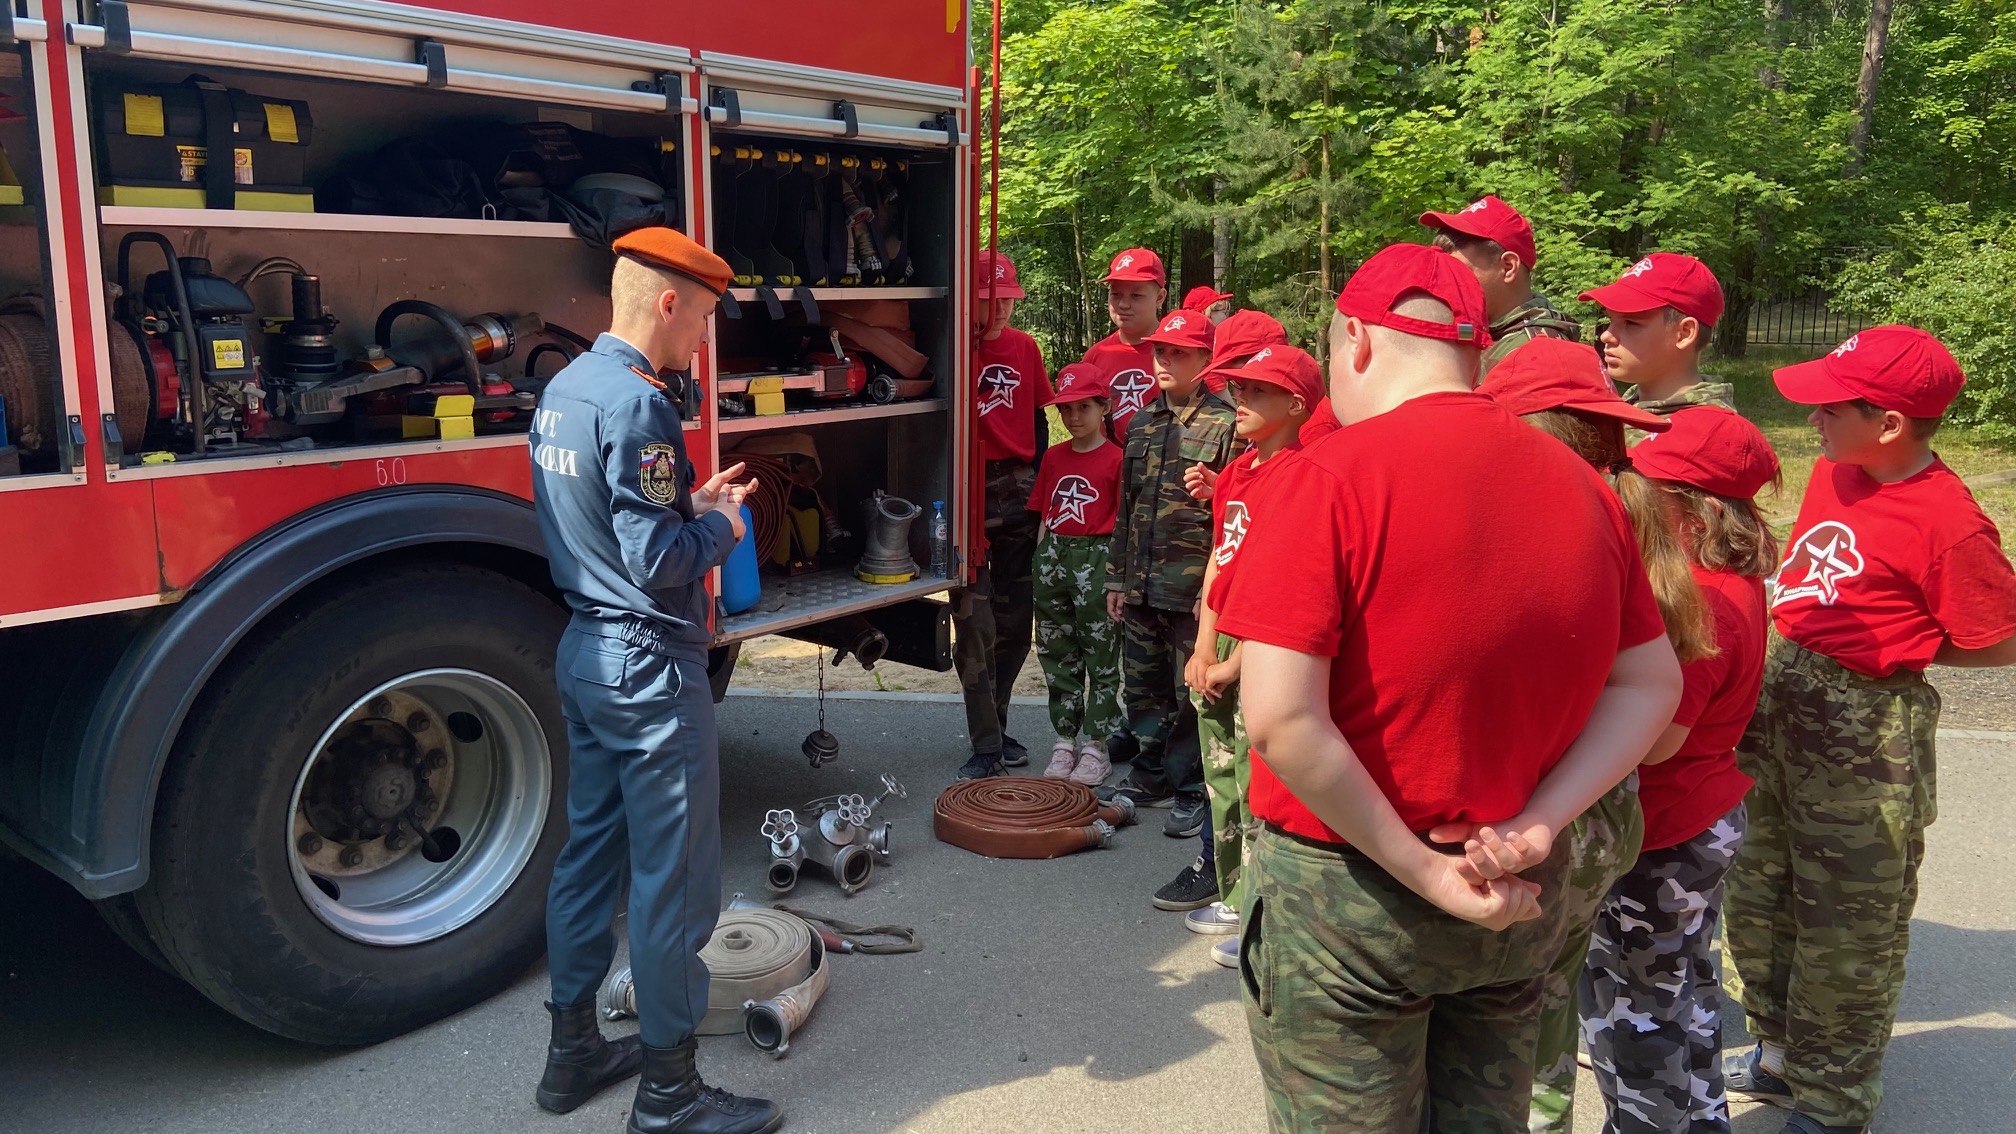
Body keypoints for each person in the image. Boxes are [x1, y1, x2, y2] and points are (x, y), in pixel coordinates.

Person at [1215, 243, 1682, 1132]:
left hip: (1349, 893)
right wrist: (1543, 818)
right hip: (1515, 879)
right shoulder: (1585, 488)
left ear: (1354, 341)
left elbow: (1278, 718)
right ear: (1474, 353)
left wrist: (1424, 870)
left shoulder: (1322, 480)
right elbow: (1652, 685)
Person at [1723, 326, 2016, 1134]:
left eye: (1829, 407)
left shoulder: (1947, 521)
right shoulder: (1837, 470)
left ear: (1889, 423)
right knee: (1760, 885)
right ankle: (1780, 1050)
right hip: (1786, 691)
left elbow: (1997, 633)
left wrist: (1901, 646)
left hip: (1867, 720)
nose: (1812, 420)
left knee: (1848, 918)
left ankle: (1834, 1100)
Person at [529, 227, 781, 1134]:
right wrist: (720, 527)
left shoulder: (564, 388)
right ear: (668, 302)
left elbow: (603, 522)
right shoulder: (641, 406)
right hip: (648, 666)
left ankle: (572, 1054)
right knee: (673, 882)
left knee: (590, 854)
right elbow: (657, 559)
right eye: (704, 320)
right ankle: (671, 1096)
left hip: (587, 652)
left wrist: (687, 504)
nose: (702, 342)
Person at [1476, 336, 1716, 1134]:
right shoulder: (1630, 512)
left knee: (1518, 1018)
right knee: (1563, 1000)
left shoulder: (1546, 528)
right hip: (1606, 809)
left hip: (1541, 816)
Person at [1580, 406, 1780, 1134]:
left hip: (1665, 831)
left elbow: (1658, 741)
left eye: (1650, 486)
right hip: (1697, 818)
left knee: (1633, 1021)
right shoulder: (1721, 577)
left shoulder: (1699, 602)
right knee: (1680, 1001)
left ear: (1691, 507)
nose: (1632, 492)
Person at [1176, 344, 1324, 967]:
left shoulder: (1307, 477)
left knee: (1261, 782)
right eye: (1238, 388)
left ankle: (1265, 911)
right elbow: (1221, 559)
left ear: (1295, 404)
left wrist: (1243, 660)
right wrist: (1206, 643)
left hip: (1267, 643)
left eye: (1257, 391)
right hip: (1226, 637)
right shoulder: (1236, 473)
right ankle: (1236, 894)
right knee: (1223, 780)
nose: (1241, 399)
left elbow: (1289, 580)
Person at [1104, 308, 1238, 865]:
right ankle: (1151, 773)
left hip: (1192, 591)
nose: (1163, 360)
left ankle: (1189, 790)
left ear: (1207, 360)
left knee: (1191, 696)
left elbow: (1236, 514)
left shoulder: (1227, 423)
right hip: (1140, 582)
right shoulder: (1140, 423)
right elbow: (1125, 508)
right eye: (1160, 351)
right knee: (1142, 686)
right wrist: (1116, 577)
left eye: (1178, 352)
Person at [956, 250, 1053, 780]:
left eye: (1006, 302)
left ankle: (999, 721)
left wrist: (1040, 491)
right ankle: (985, 744)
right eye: (987, 302)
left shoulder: (1024, 347)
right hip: (969, 493)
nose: (997, 313)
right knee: (975, 625)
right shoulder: (954, 345)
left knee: (1017, 625)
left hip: (1017, 492)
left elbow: (1037, 420)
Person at [1027, 364, 1126, 785]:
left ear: (1105, 407)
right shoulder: (1053, 456)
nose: (1074, 418)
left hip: (1097, 557)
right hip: (1054, 555)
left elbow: (1123, 523)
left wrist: (1119, 577)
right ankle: (1064, 739)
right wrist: (1041, 557)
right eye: (1066, 409)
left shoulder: (1118, 458)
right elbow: (1044, 513)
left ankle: (1096, 745)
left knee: (1100, 652)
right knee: (1056, 649)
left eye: (1084, 407)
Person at [1420, 194, 1579, 373]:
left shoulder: (1537, 354)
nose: (1446, 284)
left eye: (1459, 272)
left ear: (1508, 267)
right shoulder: (1483, 330)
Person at [1581, 251, 1736, 422]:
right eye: (1611, 320)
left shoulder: (1710, 435)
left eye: (1631, 323)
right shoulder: (1625, 409)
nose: (1606, 336)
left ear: (1684, 333)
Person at [1080, 248, 1168, 438]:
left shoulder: (1178, 352)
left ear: (1160, 298)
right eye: (1116, 294)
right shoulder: (1096, 356)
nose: (1123, 304)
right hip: (1108, 464)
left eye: (1136, 296)